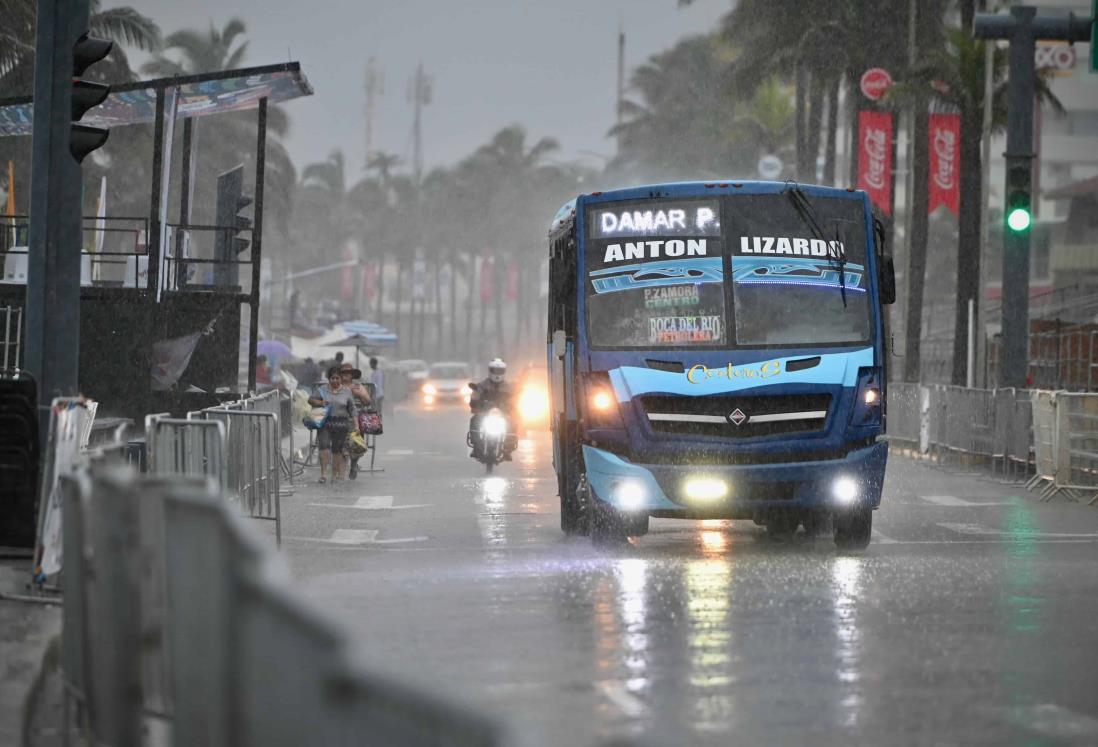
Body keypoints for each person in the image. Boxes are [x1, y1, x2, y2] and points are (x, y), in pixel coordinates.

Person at [308, 366, 358, 484]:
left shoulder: (347, 391)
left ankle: (334, 476)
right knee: (324, 446)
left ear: (341, 379)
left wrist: (357, 426)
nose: (335, 381)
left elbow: (353, 409)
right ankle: (324, 475)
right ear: (329, 379)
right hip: (325, 423)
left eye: (337, 378)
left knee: (337, 450)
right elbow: (310, 400)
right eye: (332, 378)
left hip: (341, 424)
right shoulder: (322, 389)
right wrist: (320, 402)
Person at [469, 357, 516, 460]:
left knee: (512, 423)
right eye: (494, 370)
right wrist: (475, 404)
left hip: (502, 413)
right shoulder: (482, 385)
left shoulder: (509, 388)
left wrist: (512, 408)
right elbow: (475, 395)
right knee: (474, 420)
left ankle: (508, 448)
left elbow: (514, 400)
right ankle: (476, 446)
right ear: (489, 371)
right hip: (485, 413)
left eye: (500, 371)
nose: (497, 373)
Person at [340, 362, 372, 479]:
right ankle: (341, 476)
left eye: (348, 373)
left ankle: (353, 464)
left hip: (356, 420)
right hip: (339, 419)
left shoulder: (358, 386)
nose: (346, 375)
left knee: (356, 446)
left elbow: (368, 401)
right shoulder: (335, 385)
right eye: (343, 373)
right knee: (342, 449)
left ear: (352, 375)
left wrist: (358, 394)